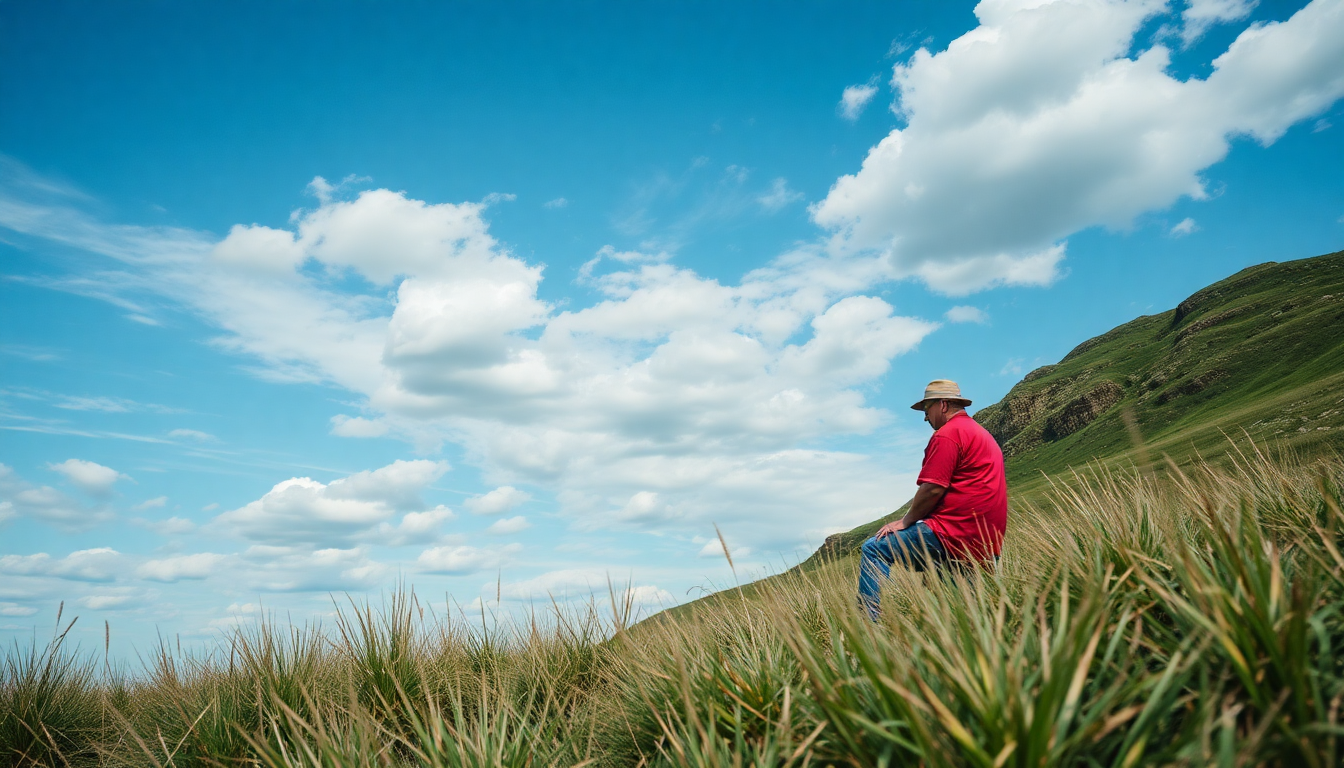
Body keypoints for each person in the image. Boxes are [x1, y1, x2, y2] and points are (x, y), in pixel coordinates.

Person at [857, 379, 1007, 620]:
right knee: (960, 611)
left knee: (874, 548)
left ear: (943, 405)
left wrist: (906, 521)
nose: (926, 418)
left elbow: (933, 489)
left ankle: (867, 627)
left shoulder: (948, 435)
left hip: (955, 534)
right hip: (987, 542)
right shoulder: (981, 433)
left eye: (927, 410)